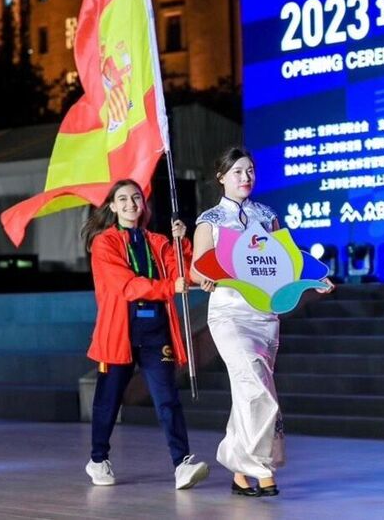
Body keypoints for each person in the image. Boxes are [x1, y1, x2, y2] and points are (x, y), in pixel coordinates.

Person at [192, 147, 331, 497]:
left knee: (250, 392)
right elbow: (197, 266)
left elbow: (289, 260)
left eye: (250, 170)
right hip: (230, 313)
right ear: (221, 177)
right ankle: (259, 468)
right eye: (238, 171)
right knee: (256, 387)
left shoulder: (267, 216)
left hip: (265, 315)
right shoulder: (210, 220)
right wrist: (204, 276)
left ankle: (241, 472)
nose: (246, 177)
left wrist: (317, 278)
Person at [81, 179, 209, 490]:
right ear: (112, 206)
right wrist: (168, 287)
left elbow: (185, 272)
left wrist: (183, 242)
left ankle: (182, 463)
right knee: (108, 401)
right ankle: (98, 458)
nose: (130, 203)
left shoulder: (158, 240)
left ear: (143, 203)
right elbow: (124, 284)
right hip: (119, 333)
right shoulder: (104, 243)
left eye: (136, 197)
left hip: (156, 333)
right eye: (122, 199)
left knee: (167, 399)